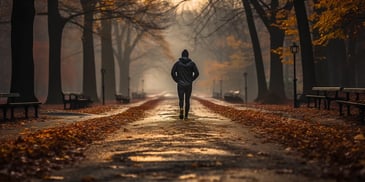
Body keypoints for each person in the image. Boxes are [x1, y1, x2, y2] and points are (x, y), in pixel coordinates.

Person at [171, 49, 199, 119]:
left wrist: (177, 80)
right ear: (188, 55)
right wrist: (191, 79)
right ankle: (186, 115)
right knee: (187, 100)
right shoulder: (192, 64)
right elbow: (197, 73)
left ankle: (181, 109)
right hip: (188, 85)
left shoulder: (177, 64)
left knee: (181, 99)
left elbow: (172, 72)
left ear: (182, 55)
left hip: (180, 84)